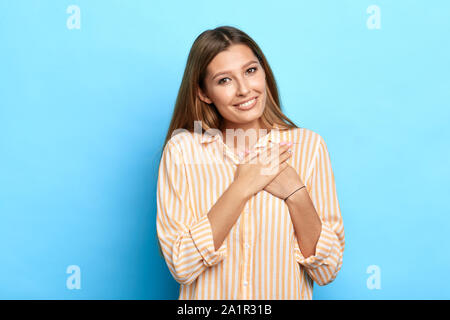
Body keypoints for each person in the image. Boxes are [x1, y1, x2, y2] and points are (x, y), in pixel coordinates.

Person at [156, 26, 345, 299]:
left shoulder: (309, 147)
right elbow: (182, 266)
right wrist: (242, 187)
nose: (244, 89)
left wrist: (296, 193)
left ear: (264, 72)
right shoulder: (182, 152)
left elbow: (327, 270)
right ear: (203, 93)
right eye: (224, 80)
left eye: (250, 71)